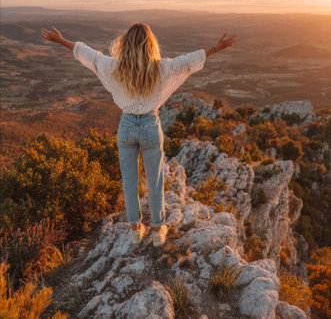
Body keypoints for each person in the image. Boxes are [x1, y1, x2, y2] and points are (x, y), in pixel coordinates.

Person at [40, 22, 237, 246]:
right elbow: (189, 60)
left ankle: (135, 228)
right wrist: (216, 48)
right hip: (151, 126)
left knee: (129, 181)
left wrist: (61, 40)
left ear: (125, 44)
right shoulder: (163, 68)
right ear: (150, 44)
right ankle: (157, 230)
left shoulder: (112, 66)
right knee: (155, 180)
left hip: (126, 127)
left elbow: (89, 55)